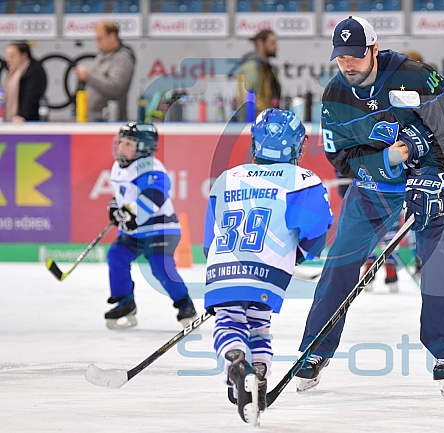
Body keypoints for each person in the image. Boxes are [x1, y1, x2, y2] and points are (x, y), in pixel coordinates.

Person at [296, 16, 444, 396]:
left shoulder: (418, 77)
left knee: (435, 260)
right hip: (374, 188)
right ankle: (316, 347)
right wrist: (388, 160)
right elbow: (340, 158)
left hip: (429, 182)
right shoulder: (335, 96)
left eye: (356, 56)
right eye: (341, 57)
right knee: (340, 259)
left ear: (373, 50)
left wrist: (436, 177)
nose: (348, 64)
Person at [203, 108, 333, 425]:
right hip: (269, 274)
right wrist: (295, 256)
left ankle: (237, 367)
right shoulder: (302, 180)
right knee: (258, 326)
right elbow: (316, 234)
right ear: (296, 146)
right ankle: (257, 380)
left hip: (223, 269)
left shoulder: (227, 178)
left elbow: (210, 237)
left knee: (230, 323)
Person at [105, 122, 196, 329]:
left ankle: (185, 304)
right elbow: (123, 196)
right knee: (116, 256)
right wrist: (115, 206)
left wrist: (131, 214)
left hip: (160, 230)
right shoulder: (120, 166)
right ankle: (125, 301)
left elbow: (154, 196)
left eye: (128, 143)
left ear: (143, 148)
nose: (121, 147)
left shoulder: (152, 168)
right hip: (136, 231)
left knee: (160, 267)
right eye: (122, 142)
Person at [74, 20, 135, 121]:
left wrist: (89, 76)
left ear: (112, 36)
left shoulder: (122, 58)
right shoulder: (102, 56)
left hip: (109, 120)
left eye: (100, 38)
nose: (97, 42)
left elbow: (115, 87)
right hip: (93, 119)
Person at [236, 29, 282, 121]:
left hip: (263, 121)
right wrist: (256, 121)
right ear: (260, 43)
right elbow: (250, 98)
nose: (276, 47)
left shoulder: (266, 68)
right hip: (255, 122)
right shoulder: (252, 66)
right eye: (272, 43)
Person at [2, 41, 46, 122]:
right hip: (12, 119)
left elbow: (31, 96)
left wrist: (22, 115)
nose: (8, 59)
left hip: (28, 120)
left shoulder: (34, 71)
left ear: (23, 56)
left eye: (12, 56)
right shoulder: (12, 72)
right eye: (7, 55)